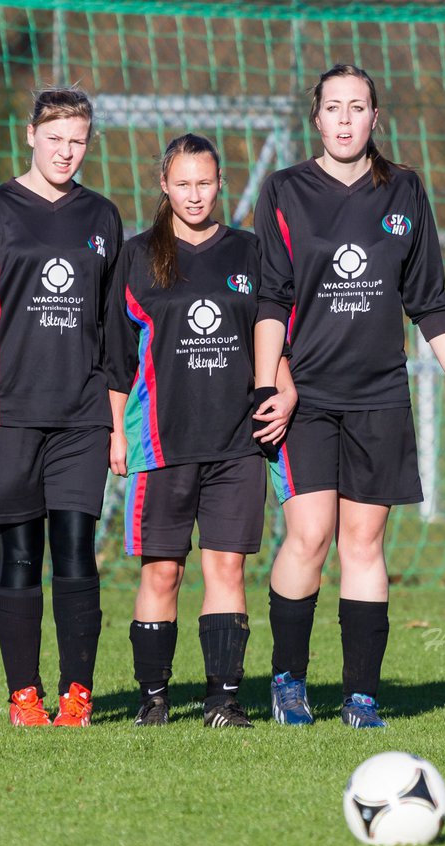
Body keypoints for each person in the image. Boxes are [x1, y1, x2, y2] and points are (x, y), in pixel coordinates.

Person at [252, 65, 445, 729]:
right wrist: (269, 383)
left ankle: (360, 695)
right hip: (307, 396)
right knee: (310, 534)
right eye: (333, 108)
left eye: (358, 107)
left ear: (375, 117)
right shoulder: (285, 191)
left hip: (379, 394)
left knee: (365, 541)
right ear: (316, 119)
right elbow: (271, 297)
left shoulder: (404, 189)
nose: (345, 119)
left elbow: (428, 299)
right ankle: (289, 681)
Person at [0, 86, 122, 727]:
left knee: (76, 546)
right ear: (30, 136)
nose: (66, 152)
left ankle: (78, 694)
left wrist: (117, 414)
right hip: (8, 410)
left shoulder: (102, 217)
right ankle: (24, 695)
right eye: (55, 139)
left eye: (78, 141)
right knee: (19, 551)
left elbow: (113, 326)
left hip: (81, 415)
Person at [104, 134, 296, 728]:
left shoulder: (250, 252)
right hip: (162, 442)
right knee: (163, 570)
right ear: (164, 186)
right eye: (182, 183)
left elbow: (269, 329)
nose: (194, 194)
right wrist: (115, 432)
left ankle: (223, 699)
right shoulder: (136, 257)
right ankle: (153, 699)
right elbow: (116, 358)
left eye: (205, 183)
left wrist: (283, 387)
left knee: (227, 568)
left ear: (221, 184)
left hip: (237, 440)